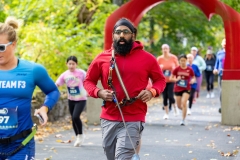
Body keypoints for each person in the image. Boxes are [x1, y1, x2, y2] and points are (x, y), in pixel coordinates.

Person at [83, 18, 166, 160]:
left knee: (123, 156)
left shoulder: (147, 59)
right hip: (108, 116)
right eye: (118, 32)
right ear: (113, 36)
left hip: (134, 115)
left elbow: (160, 80)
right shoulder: (102, 58)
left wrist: (152, 91)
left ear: (133, 35)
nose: (121, 35)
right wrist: (99, 92)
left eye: (126, 32)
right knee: (111, 156)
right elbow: (88, 81)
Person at [0, 17, 60, 160]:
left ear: (13, 44)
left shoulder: (33, 70)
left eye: (1, 47)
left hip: (20, 144)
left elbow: (53, 91)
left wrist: (45, 108)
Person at [56, 56, 87, 147]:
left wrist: (89, 90)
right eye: (69, 64)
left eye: (73, 64)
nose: (71, 66)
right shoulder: (65, 74)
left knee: (75, 116)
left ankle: (81, 135)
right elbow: (57, 84)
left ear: (76, 64)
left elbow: (89, 81)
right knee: (73, 118)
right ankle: (78, 136)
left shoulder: (81, 73)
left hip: (81, 99)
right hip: (71, 99)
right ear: (67, 64)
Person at [170, 54, 195, 125]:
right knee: (179, 106)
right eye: (181, 61)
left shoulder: (189, 69)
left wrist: (192, 80)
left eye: (184, 61)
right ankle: (185, 109)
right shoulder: (176, 69)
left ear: (186, 61)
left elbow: (193, 77)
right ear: (179, 61)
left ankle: (183, 120)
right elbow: (171, 78)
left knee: (184, 103)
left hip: (186, 88)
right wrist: (176, 79)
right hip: (177, 89)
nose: (183, 62)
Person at [157, 44, 179, 119]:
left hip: (171, 80)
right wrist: (160, 68)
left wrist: (174, 68)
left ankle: (175, 108)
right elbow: (155, 70)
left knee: (170, 96)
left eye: (166, 48)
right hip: (163, 81)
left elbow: (178, 68)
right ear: (162, 50)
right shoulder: (159, 59)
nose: (165, 50)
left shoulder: (173, 58)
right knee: (165, 97)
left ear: (169, 49)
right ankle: (166, 113)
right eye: (163, 49)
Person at [213, 38, 226, 113]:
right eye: (224, 42)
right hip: (221, 74)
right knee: (221, 91)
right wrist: (215, 69)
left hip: (229, 75)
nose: (225, 44)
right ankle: (222, 106)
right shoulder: (219, 53)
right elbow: (216, 64)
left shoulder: (232, 52)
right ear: (222, 44)